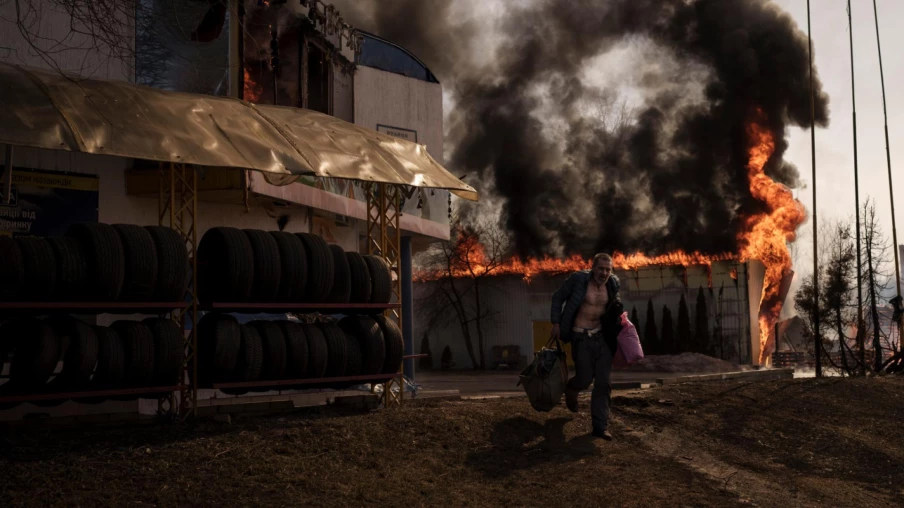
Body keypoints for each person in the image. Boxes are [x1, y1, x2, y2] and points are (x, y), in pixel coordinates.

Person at [549, 252, 623, 440]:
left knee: (603, 383)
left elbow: (615, 305)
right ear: (593, 268)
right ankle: (572, 388)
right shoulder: (578, 280)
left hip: (602, 338)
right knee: (584, 379)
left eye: (608, 269)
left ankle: (600, 427)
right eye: (601, 268)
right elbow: (557, 297)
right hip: (580, 337)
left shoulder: (613, 283)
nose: (604, 273)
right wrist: (556, 323)